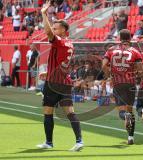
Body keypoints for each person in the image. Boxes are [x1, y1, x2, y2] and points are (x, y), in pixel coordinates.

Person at [36, 1, 83, 151]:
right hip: (64, 81)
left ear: (63, 30)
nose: (53, 30)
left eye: (56, 28)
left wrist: (44, 14)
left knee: (48, 111)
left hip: (53, 83)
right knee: (70, 112)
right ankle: (79, 141)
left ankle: (49, 143)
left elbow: (48, 33)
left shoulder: (60, 41)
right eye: (53, 27)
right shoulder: (69, 43)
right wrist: (48, 71)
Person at [102, 29, 143, 145]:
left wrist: (110, 75)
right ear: (130, 38)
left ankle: (125, 116)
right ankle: (130, 137)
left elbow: (104, 65)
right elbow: (140, 70)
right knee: (130, 110)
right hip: (130, 83)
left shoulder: (111, 50)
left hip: (118, 83)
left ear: (119, 38)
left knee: (122, 111)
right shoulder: (135, 51)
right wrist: (139, 76)